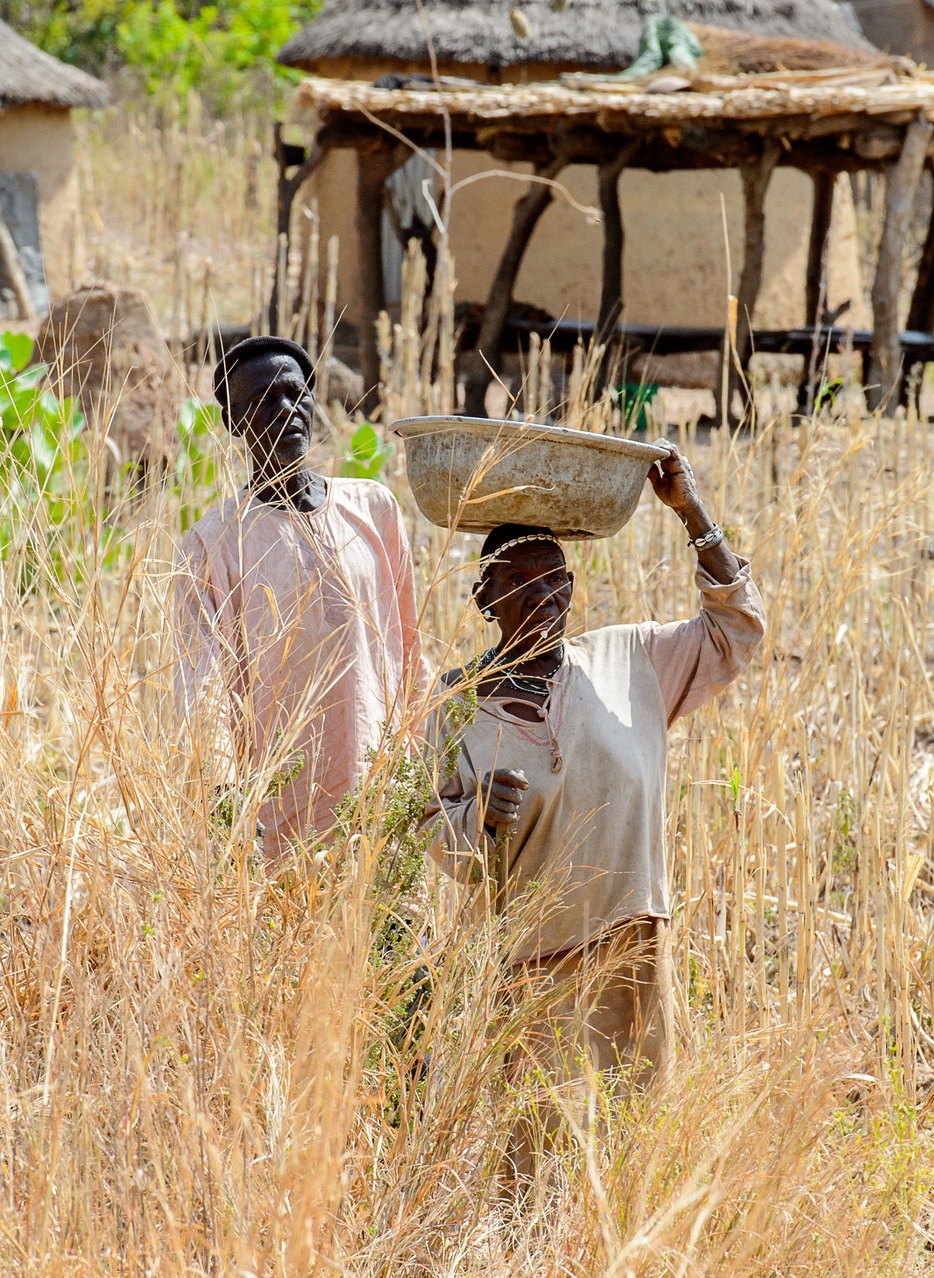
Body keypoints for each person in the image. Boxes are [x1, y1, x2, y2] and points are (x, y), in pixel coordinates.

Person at [420, 444, 764, 1178]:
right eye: (519, 583)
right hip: (527, 971)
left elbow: (737, 634)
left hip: (631, 951)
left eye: (556, 581)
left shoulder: (631, 660)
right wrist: (477, 815)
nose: (545, 597)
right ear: (484, 598)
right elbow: (430, 834)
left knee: (634, 1155)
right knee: (536, 1164)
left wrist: (691, 509)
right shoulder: (453, 706)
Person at [173, 335, 422, 858]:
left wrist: (424, 766)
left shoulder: (375, 509)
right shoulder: (213, 542)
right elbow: (204, 682)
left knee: (387, 929)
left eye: (295, 393)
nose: (286, 410)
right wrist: (224, 796)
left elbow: (409, 647)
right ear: (235, 424)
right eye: (264, 400)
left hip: (380, 795)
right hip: (276, 809)